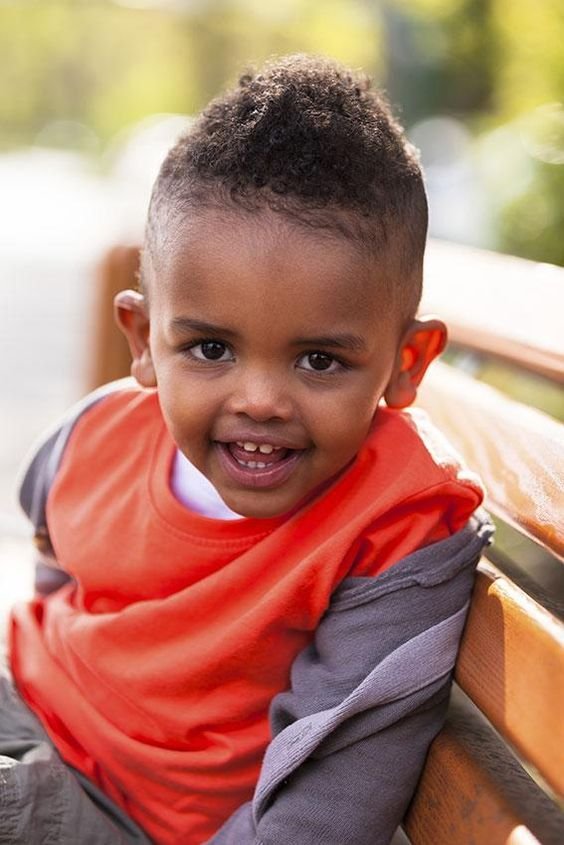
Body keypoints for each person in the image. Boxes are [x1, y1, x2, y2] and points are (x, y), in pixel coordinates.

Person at [3, 55, 492, 845]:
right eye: (209, 348)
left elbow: (327, 800)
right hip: (28, 702)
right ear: (143, 340)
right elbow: (59, 545)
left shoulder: (397, 527)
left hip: (116, 810)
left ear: (406, 364)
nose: (259, 399)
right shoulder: (99, 434)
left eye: (319, 360)